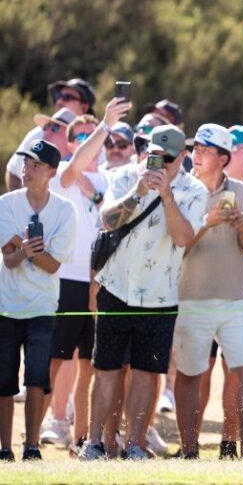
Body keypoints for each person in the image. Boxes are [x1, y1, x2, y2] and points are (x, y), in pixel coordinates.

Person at [79, 125, 207, 461]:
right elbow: (107, 221)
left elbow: (183, 238)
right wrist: (137, 192)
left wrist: (167, 197)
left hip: (161, 296)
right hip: (116, 287)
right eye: (154, 154)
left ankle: (134, 443)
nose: (158, 163)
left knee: (146, 374)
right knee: (106, 369)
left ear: (182, 156)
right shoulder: (125, 177)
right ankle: (93, 443)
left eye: (166, 158)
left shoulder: (194, 189)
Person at [41, 99, 132, 453]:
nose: (87, 141)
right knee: (54, 359)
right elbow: (76, 165)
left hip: (101, 283)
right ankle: (39, 428)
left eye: (91, 135)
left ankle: (82, 438)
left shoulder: (111, 178)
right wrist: (105, 124)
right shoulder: (64, 171)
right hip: (65, 281)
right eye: (79, 135)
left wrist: (93, 189)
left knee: (90, 366)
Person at [173, 124, 243, 459]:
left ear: (223, 158)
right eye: (194, 149)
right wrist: (207, 222)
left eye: (204, 150)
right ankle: (188, 451)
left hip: (235, 300)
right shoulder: (179, 191)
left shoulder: (242, 193)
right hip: (191, 300)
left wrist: (242, 228)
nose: (195, 155)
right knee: (189, 375)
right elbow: (176, 246)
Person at [0, 141, 76, 461]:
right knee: (4, 381)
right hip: (6, 305)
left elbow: (54, 264)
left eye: (35, 165)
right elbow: (9, 258)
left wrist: (26, 248)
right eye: (25, 163)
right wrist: (28, 250)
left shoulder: (64, 210)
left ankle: (31, 447)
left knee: (36, 377)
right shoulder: (6, 203)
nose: (26, 170)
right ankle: (4, 448)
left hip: (43, 306)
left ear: (51, 173)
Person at [6, 78, 96, 191]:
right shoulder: (39, 133)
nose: (59, 101)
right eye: (58, 96)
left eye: (67, 97)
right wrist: (21, 205)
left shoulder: (97, 142)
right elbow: (14, 171)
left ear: (84, 107)